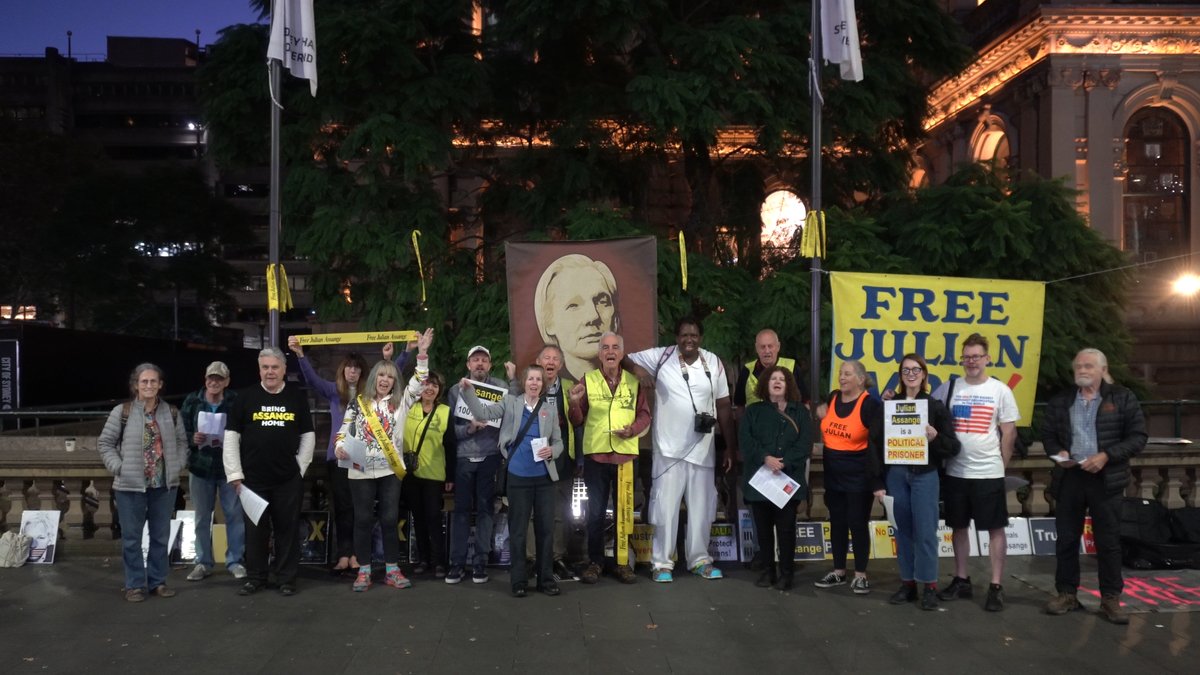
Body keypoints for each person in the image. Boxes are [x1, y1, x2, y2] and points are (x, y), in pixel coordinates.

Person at [1042, 348, 1147, 625]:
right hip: (1070, 477)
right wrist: (1059, 454)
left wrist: (1106, 456)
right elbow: (1048, 435)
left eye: (1088, 366)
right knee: (1066, 540)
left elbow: (1138, 437)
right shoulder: (1062, 401)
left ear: (1102, 369)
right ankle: (1066, 593)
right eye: (1078, 366)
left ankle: (1110, 598)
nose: (1082, 370)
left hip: (1106, 479)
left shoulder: (1122, 398)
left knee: (1109, 542)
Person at [627, 317, 736, 582]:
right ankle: (661, 563)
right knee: (665, 508)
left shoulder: (713, 362)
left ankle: (699, 560)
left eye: (694, 335)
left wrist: (730, 447)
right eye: (684, 335)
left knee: (701, 509)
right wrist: (639, 371)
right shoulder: (661, 357)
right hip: (668, 450)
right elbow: (626, 358)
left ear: (700, 338)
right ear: (676, 338)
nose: (689, 339)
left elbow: (722, 405)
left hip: (703, 449)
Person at [335, 328, 433, 592]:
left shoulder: (402, 402)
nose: (385, 380)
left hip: (390, 471)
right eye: (381, 375)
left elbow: (420, 380)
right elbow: (343, 432)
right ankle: (364, 571)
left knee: (390, 519)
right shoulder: (357, 403)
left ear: (394, 381)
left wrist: (422, 354)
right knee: (363, 520)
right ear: (373, 378)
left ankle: (392, 569)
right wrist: (339, 448)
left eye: (390, 376)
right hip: (360, 471)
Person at [931, 333, 1020, 611]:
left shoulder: (1000, 390)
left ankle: (995, 585)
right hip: (956, 471)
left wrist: (1000, 466)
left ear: (987, 358)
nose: (971, 361)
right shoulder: (948, 388)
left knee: (995, 528)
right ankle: (961, 578)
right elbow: (923, 409)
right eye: (967, 357)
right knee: (958, 527)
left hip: (988, 472)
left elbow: (1009, 433)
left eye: (976, 356)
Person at [461, 365, 565, 597]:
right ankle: (518, 581)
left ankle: (545, 579)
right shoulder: (510, 402)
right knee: (518, 531)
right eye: (531, 379)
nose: (535, 383)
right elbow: (483, 415)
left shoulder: (549, 409)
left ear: (542, 384)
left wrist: (553, 450)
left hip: (545, 478)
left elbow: (559, 441)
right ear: (524, 381)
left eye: (539, 379)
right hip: (518, 476)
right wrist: (468, 392)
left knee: (545, 530)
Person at [223, 347, 316, 597]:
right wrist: (235, 474)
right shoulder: (244, 397)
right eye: (265, 367)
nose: (270, 372)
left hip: (287, 479)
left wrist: (300, 468)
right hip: (252, 480)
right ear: (259, 369)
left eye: (275, 367)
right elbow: (231, 437)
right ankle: (256, 578)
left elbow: (308, 434)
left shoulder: (296, 397)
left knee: (288, 529)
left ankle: (286, 578)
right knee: (255, 532)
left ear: (284, 369)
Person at [872, 354, 960, 610]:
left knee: (926, 533)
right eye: (906, 370)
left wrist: (936, 437)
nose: (911, 374)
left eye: (916, 370)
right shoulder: (889, 405)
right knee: (902, 532)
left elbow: (953, 447)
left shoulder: (935, 407)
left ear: (924, 374)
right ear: (900, 375)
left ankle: (929, 585)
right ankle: (908, 583)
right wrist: (877, 481)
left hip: (925, 475)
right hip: (896, 475)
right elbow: (875, 444)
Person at [98, 363, 188, 602]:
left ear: (160, 385)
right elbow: (105, 443)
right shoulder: (123, 412)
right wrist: (119, 467)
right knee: (131, 538)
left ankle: (158, 582)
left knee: (160, 536)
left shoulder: (171, 412)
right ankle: (135, 584)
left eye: (153, 381)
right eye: (144, 381)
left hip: (162, 486)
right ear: (135, 385)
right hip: (130, 486)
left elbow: (182, 442)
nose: (149, 385)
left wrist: (177, 465)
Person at [567, 332, 652, 584]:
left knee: (624, 511)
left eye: (615, 347)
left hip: (626, 456)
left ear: (622, 353)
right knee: (594, 512)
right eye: (605, 347)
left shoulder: (633, 382)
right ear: (599, 354)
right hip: (597, 456)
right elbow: (577, 419)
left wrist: (632, 430)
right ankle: (595, 562)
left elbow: (645, 415)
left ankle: (622, 562)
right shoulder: (588, 380)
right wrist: (573, 403)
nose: (611, 351)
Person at [288, 337, 370, 572]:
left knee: (359, 508)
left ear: (362, 372)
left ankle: (358, 554)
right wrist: (300, 355)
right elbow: (312, 380)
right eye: (349, 367)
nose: (352, 372)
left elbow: (390, 378)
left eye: (356, 368)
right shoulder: (335, 392)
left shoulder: (369, 394)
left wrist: (399, 355)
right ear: (343, 370)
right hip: (338, 459)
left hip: (362, 459)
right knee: (342, 507)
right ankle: (344, 553)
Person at [738, 366, 812, 591]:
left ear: (788, 384)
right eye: (773, 379)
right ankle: (768, 571)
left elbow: (805, 443)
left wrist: (784, 461)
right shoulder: (753, 411)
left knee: (786, 529)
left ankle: (786, 574)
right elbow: (746, 440)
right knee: (763, 530)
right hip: (761, 481)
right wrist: (765, 458)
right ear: (765, 384)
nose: (777, 382)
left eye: (782, 379)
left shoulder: (800, 412)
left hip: (787, 481)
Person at [510, 344, 580, 581]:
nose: (551, 362)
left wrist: (576, 404)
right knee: (529, 514)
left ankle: (556, 557)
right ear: (539, 362)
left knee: (559, 513)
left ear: (560, 365)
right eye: (546, 358)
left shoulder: (571, 387)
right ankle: (531, 558)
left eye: (556, 359)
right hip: (529, 462)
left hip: (560, 458)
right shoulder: (527, 387)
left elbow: (578, 422)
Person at [813, 360, 882, 595]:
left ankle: (861, 574)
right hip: (833, 474)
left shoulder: (870, 405)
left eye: (848, 374)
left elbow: (877, 445)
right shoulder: (833, 397)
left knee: (857, 523)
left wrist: (877, 481)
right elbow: (821, 410)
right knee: (837, 523)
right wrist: (819, 408)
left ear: (861, 379)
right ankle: (839, 571)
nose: (842, 377)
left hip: (858, 476)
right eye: (841, 373)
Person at [445, 345, 506, 585]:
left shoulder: (500, 388)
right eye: (475, 360)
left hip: (491, 456)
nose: (480, 364)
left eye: (484, 360)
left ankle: (480, 563)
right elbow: (450, 432)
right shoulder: (454, 390)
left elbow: (508, 421)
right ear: (468, 365)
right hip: (463, 458)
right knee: (460, 513)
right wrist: (469, 428)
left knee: (486, 510)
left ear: (490, 365)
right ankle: (457, 564)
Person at [180, 361, 246, 582]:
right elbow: (181, 432)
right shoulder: (192, 400)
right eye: (211, 378)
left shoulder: (235, 401)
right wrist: (193, 438)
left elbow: (245, 429)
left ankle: (235, 560)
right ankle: (203, 561)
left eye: (219, 379)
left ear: (226, 382)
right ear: (205, 379)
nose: (214, 382)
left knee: (234, 515)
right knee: (201, 516)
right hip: (201, 466)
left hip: (228, 467)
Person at [402, 371, 456, 578]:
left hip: (434, 475)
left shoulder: (444, 411)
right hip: (410, 474)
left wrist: (450, 476)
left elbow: (450, 446)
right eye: (426, 384)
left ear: (439, 390)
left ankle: (439, 561)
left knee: (434, 517)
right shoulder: (409, 408)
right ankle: (423, 559)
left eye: (434, 385)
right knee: (418, 518)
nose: (430, 388)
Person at [534, 254, 620, 383]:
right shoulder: (544, 389)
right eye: (573, 305)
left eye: (602, 301)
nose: (593, 316)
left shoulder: (630, 381)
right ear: (548, 322)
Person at [734, 329, 809, 416]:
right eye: (762, 347)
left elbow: (805, 402)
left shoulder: (792, 367)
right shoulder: (747, 370)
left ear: (778, 346)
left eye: (770, 346)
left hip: (787, 426)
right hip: (755, 427)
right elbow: (740, 406)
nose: (767, 351)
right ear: (756, 348)